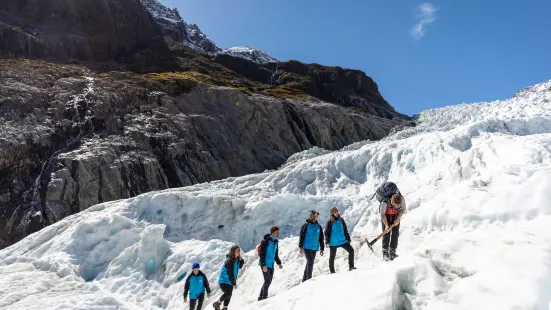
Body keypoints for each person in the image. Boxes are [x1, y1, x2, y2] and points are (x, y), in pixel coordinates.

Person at [325, 207, 356, 273]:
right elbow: (327, 232)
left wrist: (348, 238)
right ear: (333, 213)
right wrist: (327, 241)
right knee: (332, 257)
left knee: (351, 251)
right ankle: (332, 272)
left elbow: (345, 230)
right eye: (335, 212)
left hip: (343, 240)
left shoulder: (341, 220)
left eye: (337, 211)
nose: (337, 213)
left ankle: (351, 266)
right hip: (334, 242)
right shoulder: (330, 221)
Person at [213, 245, 245, 310]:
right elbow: (230, 273)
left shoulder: (236, 260)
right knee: (228, 293)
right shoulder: (230, 261)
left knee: (229, 295)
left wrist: (241, 261)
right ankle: (217, 303)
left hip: (229, 281)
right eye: (237, 251)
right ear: (233, 252)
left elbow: (239, 267)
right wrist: (233, 282)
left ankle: (225, 307)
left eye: (239, 250)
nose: (238, 252)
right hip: (224, 280)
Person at [298, 210, 324, 282]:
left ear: (315, 216)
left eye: (312, 215)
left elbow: (321, 238)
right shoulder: (305, 225)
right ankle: (309, 280)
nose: (311, 216)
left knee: (309, 262)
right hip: (307, 247)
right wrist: (301, 246)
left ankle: (304, 280)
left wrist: (322, 248)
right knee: (311, 262)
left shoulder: (319, 227)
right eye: (310, 215)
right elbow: (302, 236)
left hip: (314, 248)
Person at [258, 226, 283, 301]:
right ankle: (264, 297)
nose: (277, 234)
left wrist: (279, 263)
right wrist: (263, 265)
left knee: (268, 281)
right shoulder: (266, 241)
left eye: (278, 232)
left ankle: (260, 297)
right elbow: (262, 253)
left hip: (271, 264)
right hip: (265, 264)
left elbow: (275, 255)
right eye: (276, 232)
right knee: (267, 281)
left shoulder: (276, 242)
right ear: (272, 232)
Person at [380, 193, 405, 261]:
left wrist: (398, 218)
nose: (395, 206)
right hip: (386, 216)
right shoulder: (384, 202)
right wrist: (386, 225)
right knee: (386, 233)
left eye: (397, 205)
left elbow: (403, 209)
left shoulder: (401, 199)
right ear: (391, 200)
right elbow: (382, 215)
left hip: (396, 215)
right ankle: (385, 254)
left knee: (395, 234)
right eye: (394, 204)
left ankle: (392, 253)